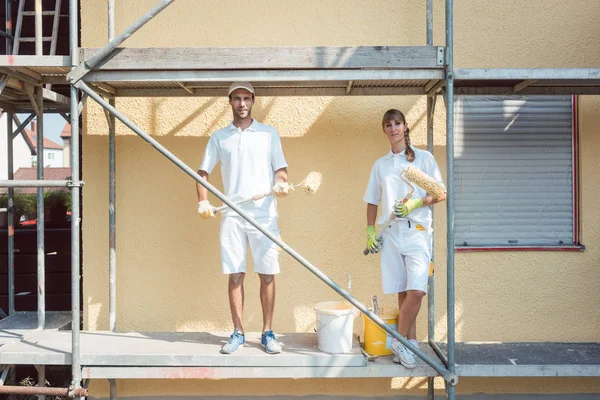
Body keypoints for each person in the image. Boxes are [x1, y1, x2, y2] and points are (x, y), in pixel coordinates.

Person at [196, 82, 291, 355]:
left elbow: (281, 169)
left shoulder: (268, 134)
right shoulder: (219, 137)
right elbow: (202, 173)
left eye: (246, 98)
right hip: (232, 214)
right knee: (235, 275)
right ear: (230, 102)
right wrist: (202, 201)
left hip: (264, 213)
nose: (241, 103)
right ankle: (238, 332)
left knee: (268, 273)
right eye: (236, 98)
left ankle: (267, 332)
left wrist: (281, 184)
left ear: (253, 101)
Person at [363, 109, 446, 368]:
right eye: (388, 124)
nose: (393, 128)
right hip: (390, 233)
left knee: (417, 291)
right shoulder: (381, 165)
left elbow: (441, 193)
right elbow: (372, 201)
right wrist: (370, 231)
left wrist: (416, 203)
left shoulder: (423, 159)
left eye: (397, 123)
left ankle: (397, 340)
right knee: (402, 290)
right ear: (384, 130)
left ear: (405, 126)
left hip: (417, 231)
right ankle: (410, 345)